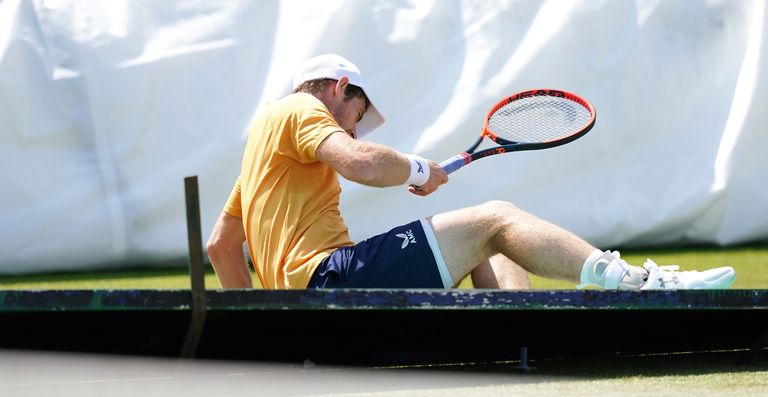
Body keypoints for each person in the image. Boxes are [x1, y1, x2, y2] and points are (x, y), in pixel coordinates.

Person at [206, 53, 736, 290]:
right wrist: (418, 169)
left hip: (315, 292)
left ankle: (521, 332)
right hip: (333, 277)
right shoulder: (303, 111)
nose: (354, 128)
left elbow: (220, 246)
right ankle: (638, 283)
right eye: (359, 115)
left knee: (494, 240)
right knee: (498, 217)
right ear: (341, 88)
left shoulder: (263, 144)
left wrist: (263, 322)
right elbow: (361, 164)